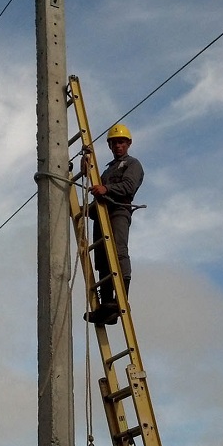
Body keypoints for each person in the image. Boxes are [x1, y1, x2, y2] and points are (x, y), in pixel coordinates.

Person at [84, 122, 144, 324]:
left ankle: (120, 299)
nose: (118, 146)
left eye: (121, 142)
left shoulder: (132, 164)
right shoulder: (108, 171)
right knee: (101, 257)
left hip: (118, 210)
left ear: (128, 144)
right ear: (110, 146)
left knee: (118, 252)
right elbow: (98, 191)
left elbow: (128, 186)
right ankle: (107, 306)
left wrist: (106, 190)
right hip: (102, 213)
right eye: (115, 143)